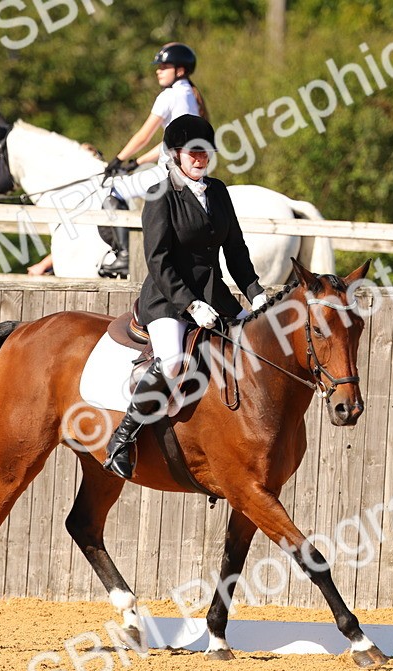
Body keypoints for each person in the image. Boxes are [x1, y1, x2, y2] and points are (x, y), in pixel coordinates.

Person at [102, 115, 268, 479]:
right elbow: (157, 260)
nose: (200, 159)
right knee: (174, 361)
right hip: (167, 300)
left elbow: (236, 250)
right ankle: (122, 439)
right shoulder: (161, 196)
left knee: (256, 347)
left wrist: (256, 294)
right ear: (176, 155)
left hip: (217, 298)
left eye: (206, 152)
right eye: (193, 153)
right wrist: (189, 304)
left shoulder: (219, 192)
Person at [98, 43, 209, 279]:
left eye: (164, 66)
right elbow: (169, 142)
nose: (158, 70)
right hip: (186, 172)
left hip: (167, 173)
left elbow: (144, 135)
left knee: (114, 190)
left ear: (180, 70)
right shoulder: (190, 95)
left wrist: (118, 158)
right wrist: (137, 162)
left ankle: (125, 256)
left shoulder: (169, 96)